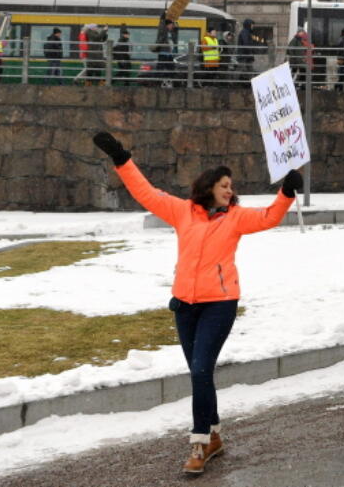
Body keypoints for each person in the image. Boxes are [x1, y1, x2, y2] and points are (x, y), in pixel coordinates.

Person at [90, 131, 301, 474]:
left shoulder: (236, 217)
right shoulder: (182, 211)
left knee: (202, 370)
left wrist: (286, 192)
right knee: (199, 373)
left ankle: (199, 444)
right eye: (224, 184)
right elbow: (145, 192)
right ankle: (215, 434)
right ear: (208, 187)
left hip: (220, 304)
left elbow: (268, 217)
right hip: (185, 305)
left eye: (232, 186)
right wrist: (121, 158)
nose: (230, 190)